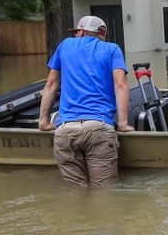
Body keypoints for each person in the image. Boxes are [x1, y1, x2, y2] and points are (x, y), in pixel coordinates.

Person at [38, 16, 135, 186]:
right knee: (105, 194)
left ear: (82, 31)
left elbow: (51, 85)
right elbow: (120, 85)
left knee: (76, 194)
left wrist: (44, 122)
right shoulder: (112, 49)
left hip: (66, 130)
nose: (76, 35)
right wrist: (123, 123)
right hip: (99, 128)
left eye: (76, 32)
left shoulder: (65, 45)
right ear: (102, 34)